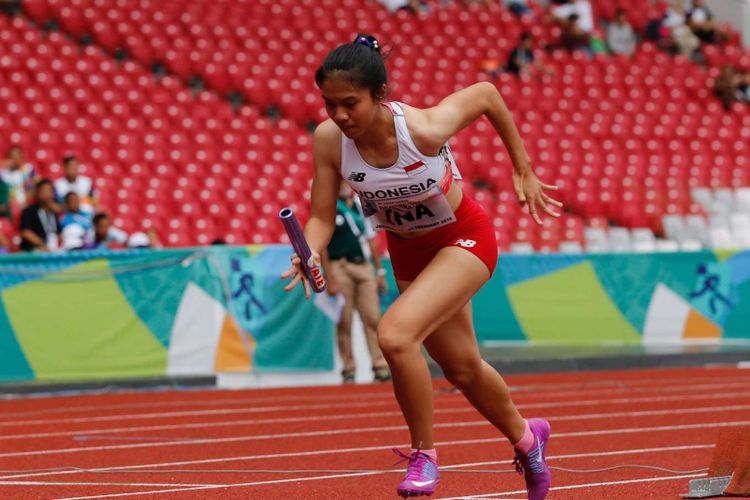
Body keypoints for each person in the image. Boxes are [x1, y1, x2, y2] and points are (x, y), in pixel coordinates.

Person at [281, 33, 561, 499]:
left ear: (380, 95)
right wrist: (309, 248)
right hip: (408, 252)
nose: (340, 116)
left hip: (462, 237)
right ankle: (529, 440)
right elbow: (320, 217)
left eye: (350, 103)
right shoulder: (330, 141)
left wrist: (523, 168)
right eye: (329, 104)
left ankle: (424, 457)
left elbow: (489, 94)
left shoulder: (424, 128)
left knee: (394, 334)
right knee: (462, 369)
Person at [322, 182, 391, 384]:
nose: (343, 186)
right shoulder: (328, 207)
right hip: (339, 267)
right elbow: (322, 245)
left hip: (363, 266)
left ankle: (379, 366)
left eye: (346, 182)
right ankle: (348, 368)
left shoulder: (362, 206)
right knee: (344, 320)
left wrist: (379, 271)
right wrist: (330, 277)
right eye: (340, 182)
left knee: (373, 317)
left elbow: (372, 240)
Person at [19, 179, 60, 252]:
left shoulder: (54, 212)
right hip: (35, 249)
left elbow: (59, 232)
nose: (47, 194)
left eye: (50, 191)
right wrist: (41, 244)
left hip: (54, 248)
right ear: (37, 193)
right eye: (44, 191)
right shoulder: (29, 211)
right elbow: (26, 232)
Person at [0, 145, 36, 210]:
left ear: (22, 158)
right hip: (6, 204)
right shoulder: (2, 172)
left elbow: (31, 189)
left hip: (22, 204)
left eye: (17, 157)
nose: (14, 160)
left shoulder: (27, 170)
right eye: (12, 157)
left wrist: (23, 203)